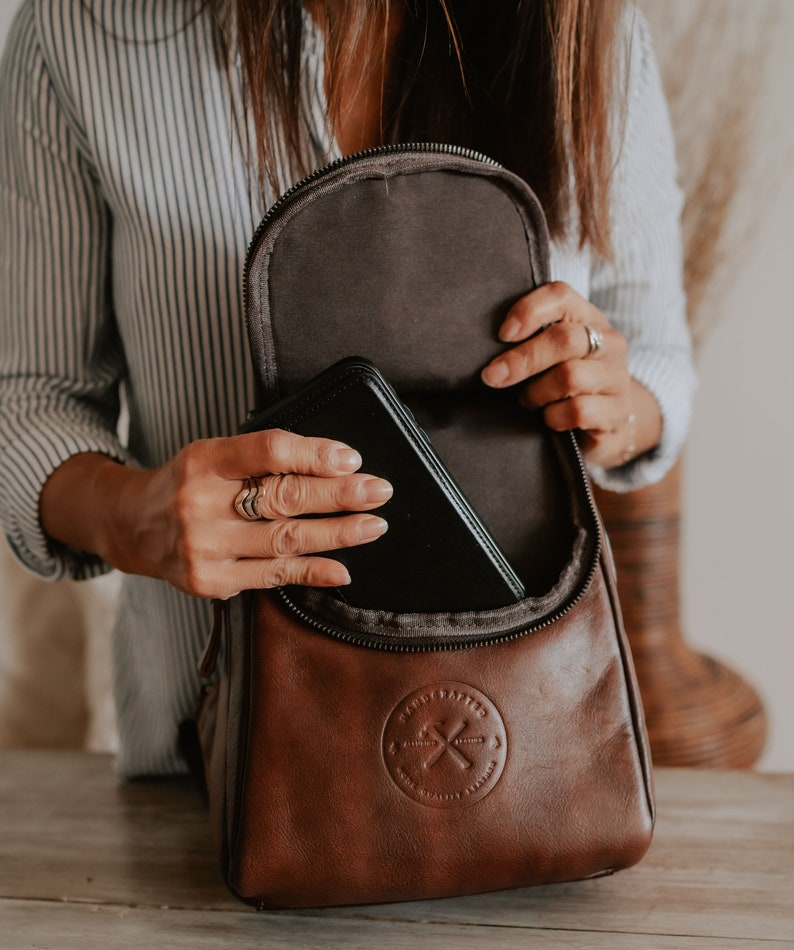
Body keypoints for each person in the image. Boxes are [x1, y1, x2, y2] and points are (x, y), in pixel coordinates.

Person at [0, 0, 696, 776]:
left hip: (535, 758)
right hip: (215, 764)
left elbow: (656, 358)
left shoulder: (588, 33)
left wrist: (613, 401)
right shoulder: (79, 33)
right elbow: (31, 398)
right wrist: (135, 516)